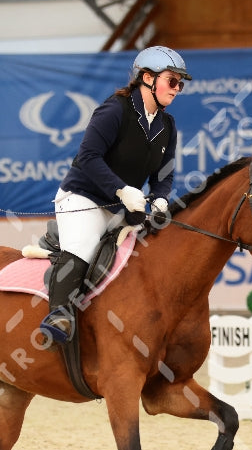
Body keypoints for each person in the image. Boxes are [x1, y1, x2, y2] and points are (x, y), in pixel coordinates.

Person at [39, 45, 192, 343]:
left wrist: (160, 197)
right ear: (148, 78)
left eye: (180, 84)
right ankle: (58, 316)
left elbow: (164, 174)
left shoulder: (167, 125)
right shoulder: (114, 111)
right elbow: (88, 157)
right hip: (84, 197)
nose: (177, 89)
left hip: (125, 206)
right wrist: (120, 189)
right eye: (172, 81)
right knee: (83, 247)